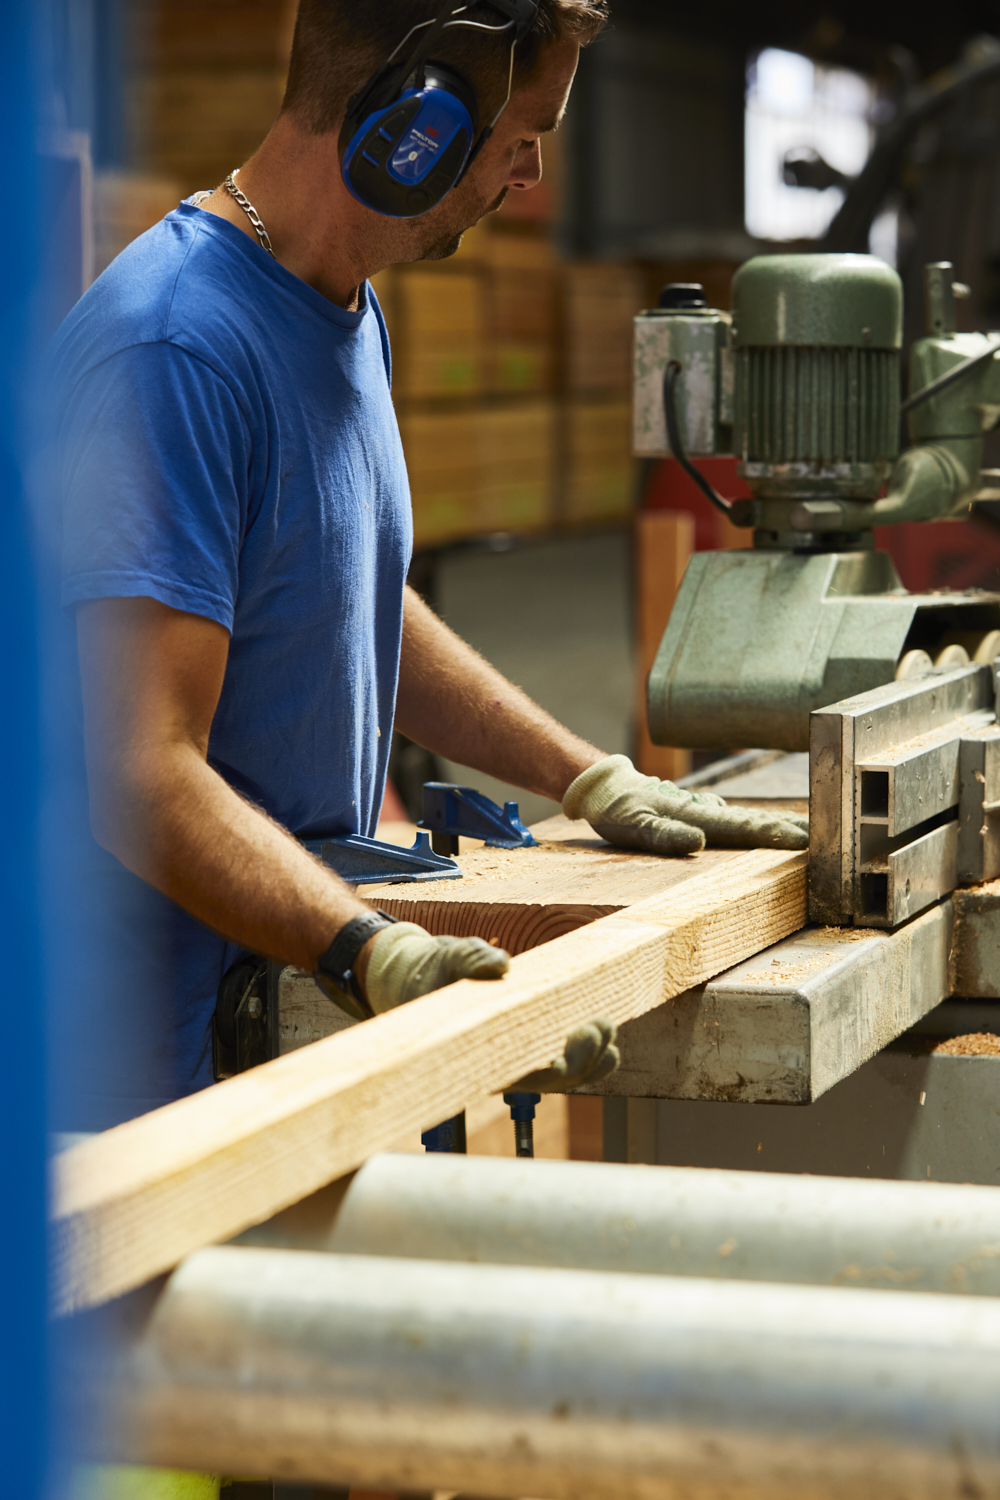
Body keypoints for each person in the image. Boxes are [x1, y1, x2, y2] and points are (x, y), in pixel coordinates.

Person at [51, 0, 807, 1132]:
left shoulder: (340, 311)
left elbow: (341, 596)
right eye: (520, 133)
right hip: (133, 1087)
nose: (531, 169)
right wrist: (364, 948)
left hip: (264, 1013)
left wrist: (587, 778)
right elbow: (138, 774)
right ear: (417, 119)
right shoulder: (176, 348)